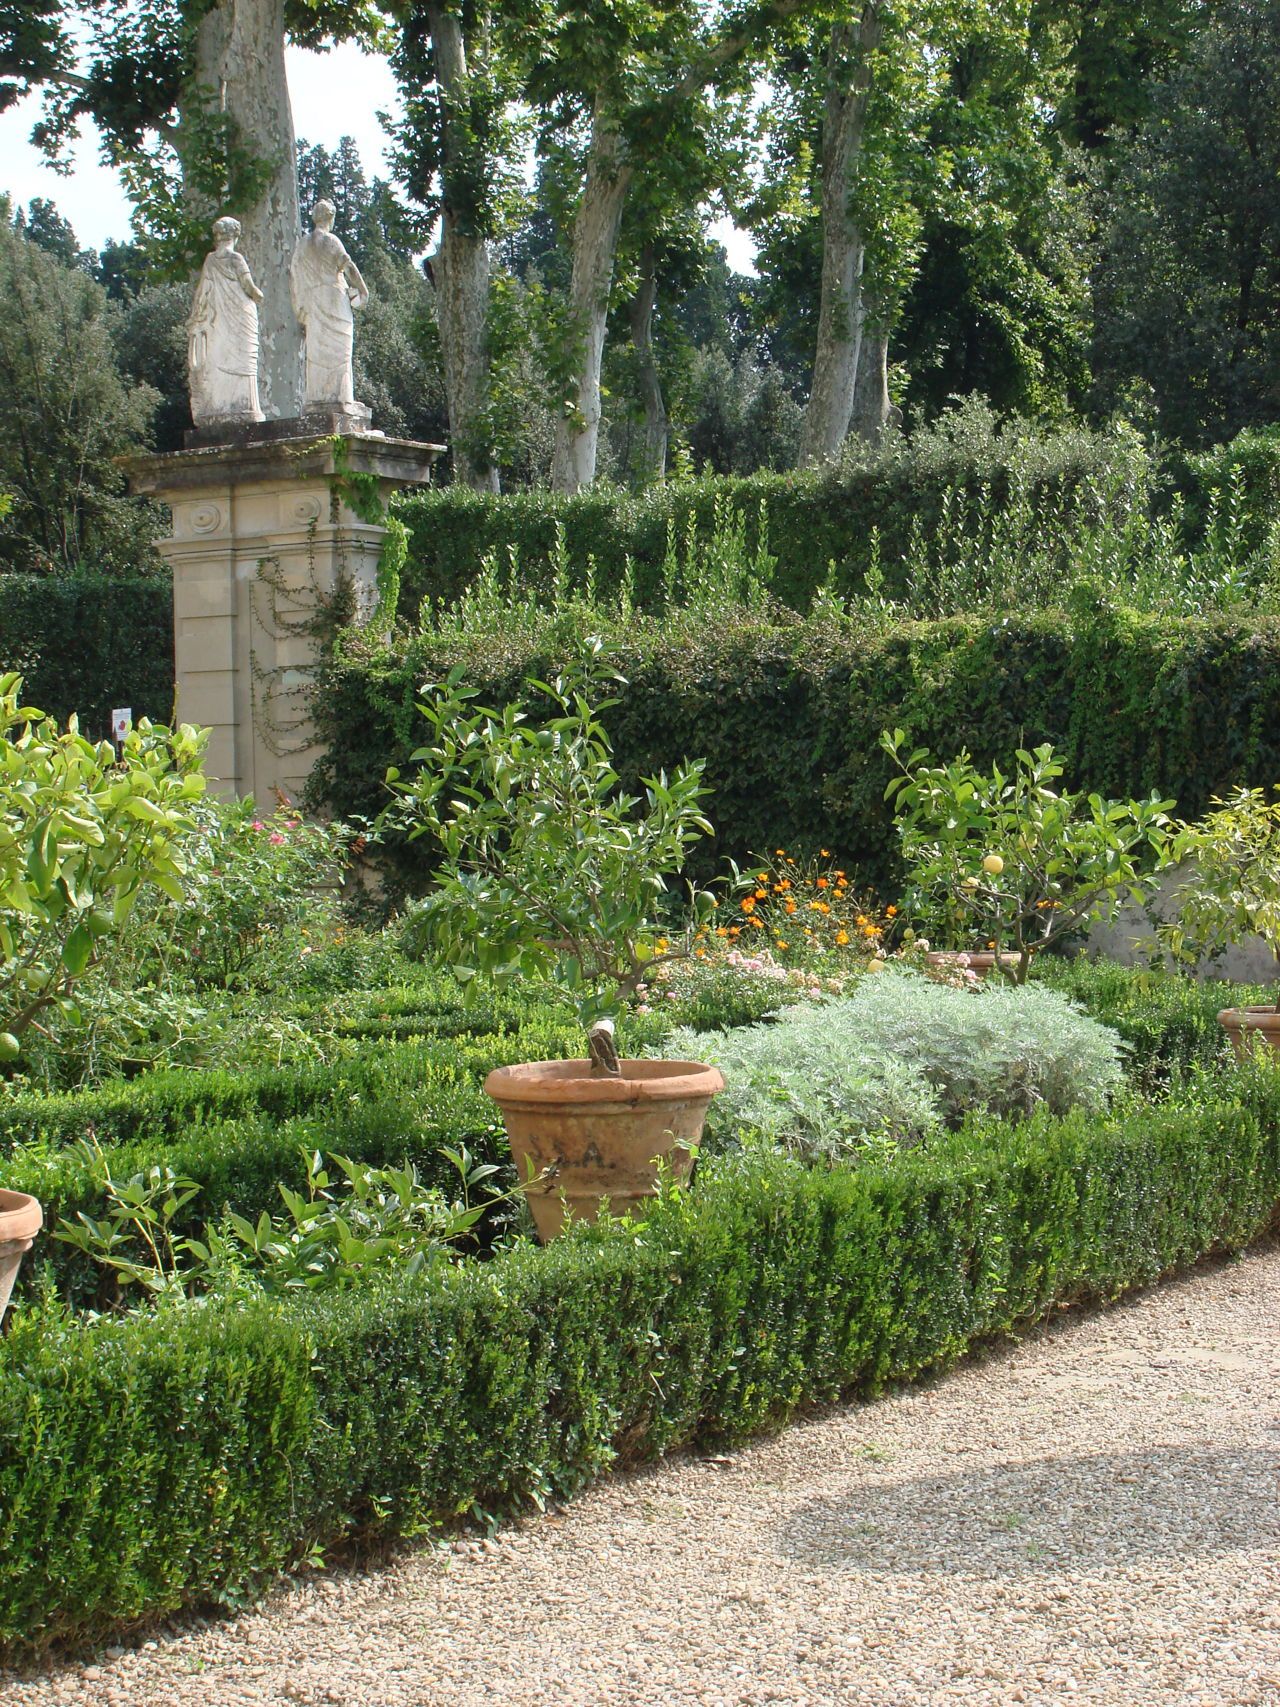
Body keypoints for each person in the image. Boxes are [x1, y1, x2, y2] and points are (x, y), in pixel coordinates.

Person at [290, 198, 369, 408]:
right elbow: (348, 266)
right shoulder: (331, 240)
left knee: (317, 349)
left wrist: (299, 303)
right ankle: (342, 398)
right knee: (341, 348)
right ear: (331, 218)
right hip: (334, 297)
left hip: (314, 300)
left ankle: (318, 398)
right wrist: (363, 289)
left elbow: (294, 275)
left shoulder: (303, 244)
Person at [187, 217, 265, 427]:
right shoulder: (235, 258)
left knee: (221, 355)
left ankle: (219, 405)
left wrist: (196, 317)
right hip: (240, 312)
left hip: (219, 316)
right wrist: (259, 296)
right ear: (235, 235)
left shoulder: (211, 260)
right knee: (243, 355)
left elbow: (202, 292)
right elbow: (248, 286)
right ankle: (246, 406)